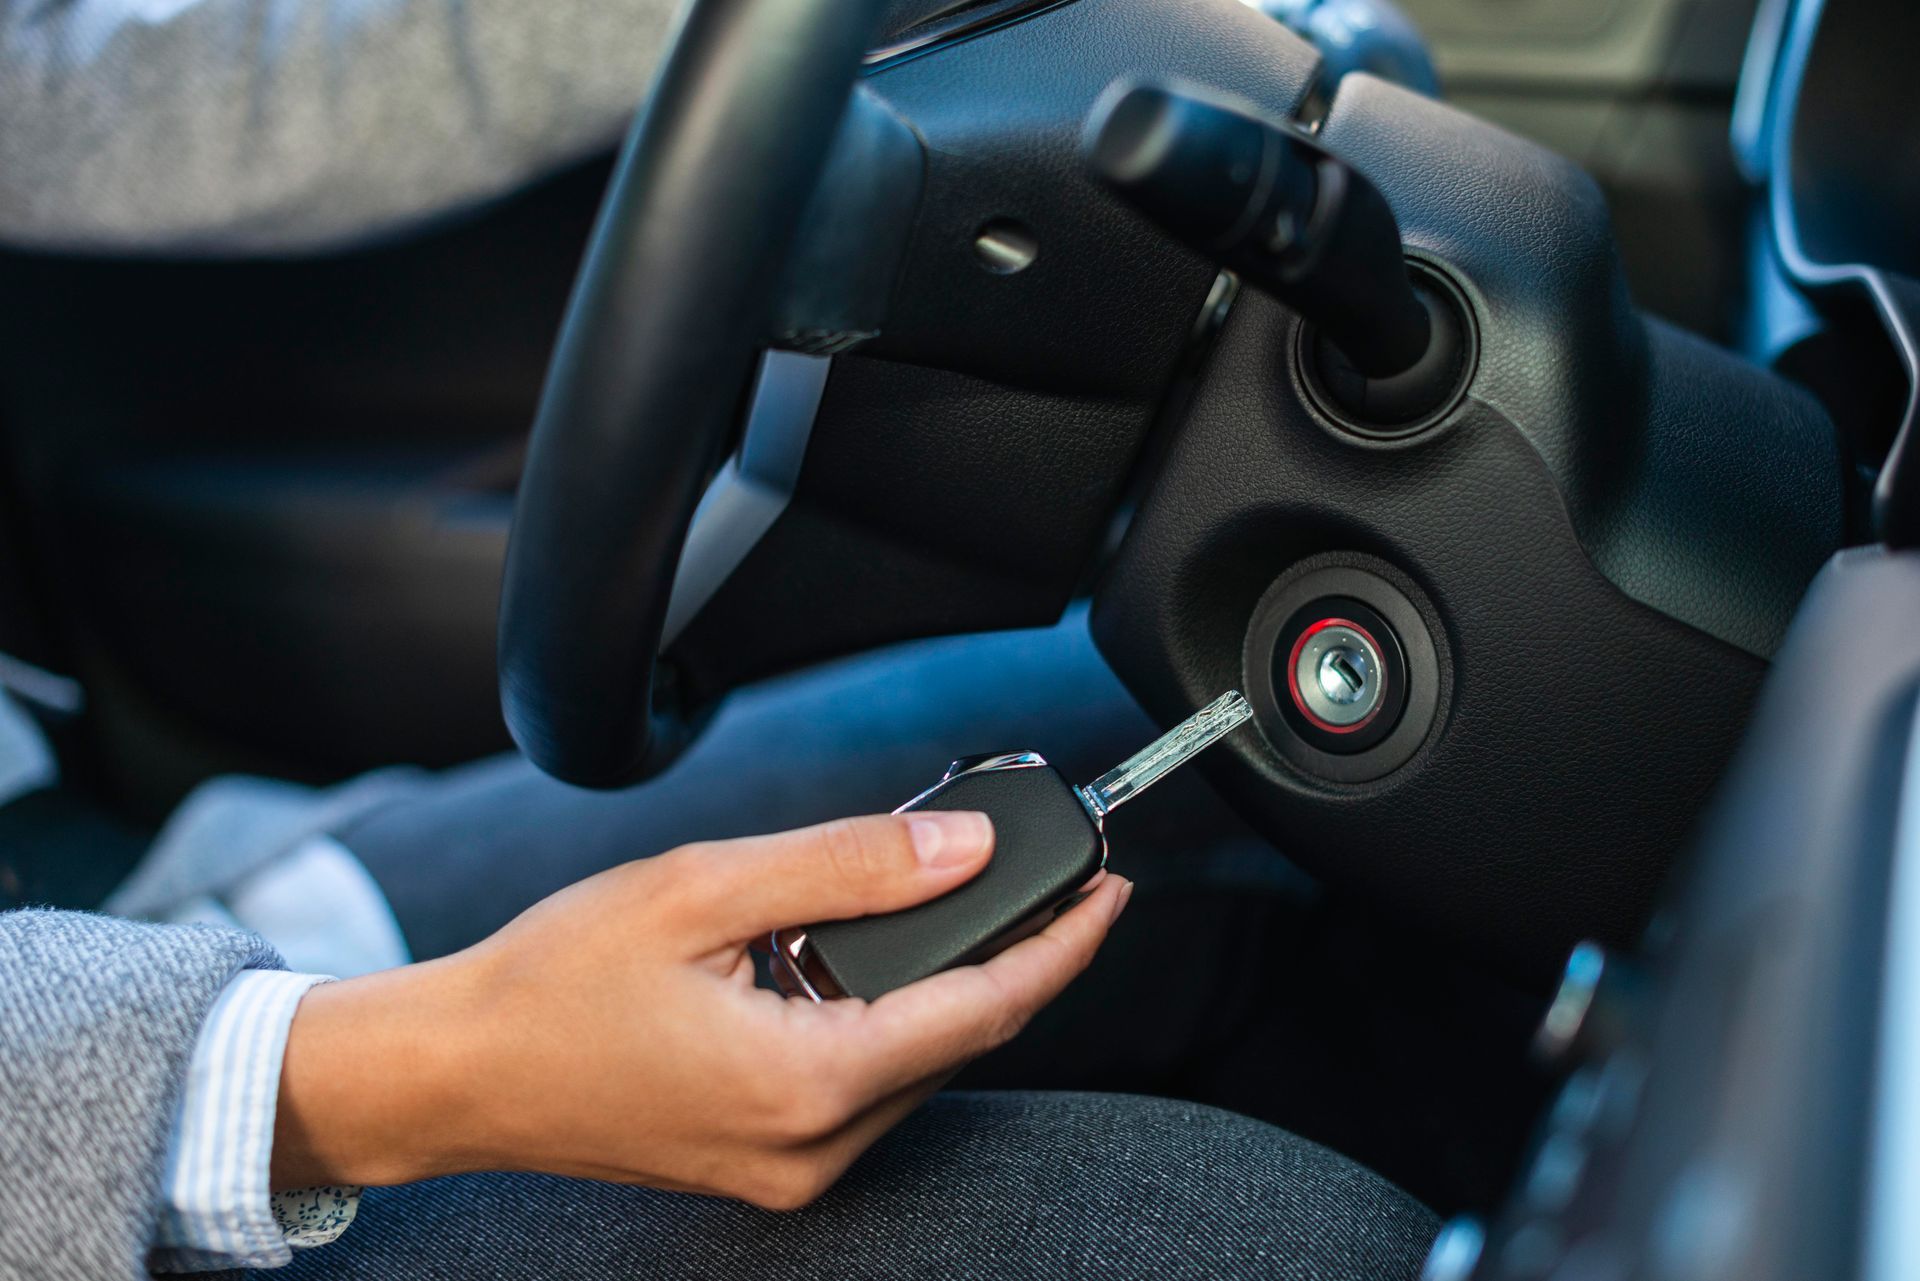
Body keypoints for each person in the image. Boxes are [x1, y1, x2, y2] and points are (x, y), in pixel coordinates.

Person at [0, 1, 1442, 1277]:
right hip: (126, 1161)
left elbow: (163, 78)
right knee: (1275, 1240)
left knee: (1165, 726)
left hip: (114, 928)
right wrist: (399, 1070)